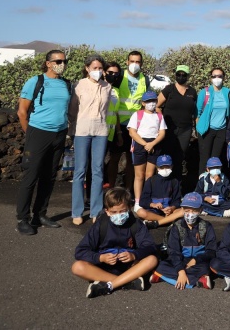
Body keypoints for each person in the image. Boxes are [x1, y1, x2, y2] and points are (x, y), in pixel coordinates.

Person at [16, 49, 72, 235]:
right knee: (31, 176)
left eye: (64, 61)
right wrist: (31, 134)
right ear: (48, 63)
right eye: (58, 61)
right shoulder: (36, 81)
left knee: (49, 177)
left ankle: (39, 215)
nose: (62, 64)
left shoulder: (67, 84)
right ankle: (22, 219)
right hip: (38, 133)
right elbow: (22, 112)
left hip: (59, 134)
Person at [71, 188, 158, 298]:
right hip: (103, 267)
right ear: (107, 211)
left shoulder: (136, 224)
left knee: (152, 260)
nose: (119, 215)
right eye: (114, 212)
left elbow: (150, 246)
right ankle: (126, 282)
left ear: (129, 208)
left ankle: (108, 285)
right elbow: (80, 251)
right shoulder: (101, 224)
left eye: (122, 211)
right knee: (77, 267)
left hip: (130, 266)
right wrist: (100, 258)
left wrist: (134, 255)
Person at [68, 54, 111, 226]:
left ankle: (96, 211)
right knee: (80, 171)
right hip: (82, 130)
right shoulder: (78, 85)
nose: (97, 71)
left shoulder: (107, 86)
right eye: (94, 68)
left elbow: (107, 109)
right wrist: (72, 130)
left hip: (101, 130)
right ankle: (77, 211)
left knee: (98, 170)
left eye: (100, 68)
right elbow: (72, 110)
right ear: (87, 68)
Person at [151, 192, 217, 289]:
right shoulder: (177, 226)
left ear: (200, 210)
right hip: (181, 259)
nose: (190, 214)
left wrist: (196, 260)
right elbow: (173, 251)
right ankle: (196, 280)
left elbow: (211, 250)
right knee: (161, 265)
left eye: (194, 211)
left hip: (198, 261)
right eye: (187, 210)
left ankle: (163, 277)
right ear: (182, 210)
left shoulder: (206, 226)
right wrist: (181, 271)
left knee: (207, 268)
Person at [113, 51, 152, 202]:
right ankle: (111, 191)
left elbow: (146, 100)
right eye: (132, 61)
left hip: (136, 127)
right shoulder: (119, 76)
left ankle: (129, 192)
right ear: (127, 62)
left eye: (138, 62)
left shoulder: (144, 79)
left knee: (132, 160)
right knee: (114, 158)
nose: (135, 64)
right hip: (118, 123)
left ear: (141, 64)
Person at [127, 91, 167, 208]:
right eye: (148, 101)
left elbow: (162, 133)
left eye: (154, 101)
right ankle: (138, 201)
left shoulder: (159, 116)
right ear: (143, 103)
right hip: (140, 144)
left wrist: (152, 144)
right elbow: (132, 132)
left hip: (154, 144)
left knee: (150, 175)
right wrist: (145, 144)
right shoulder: (137, 115)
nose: (152, 103)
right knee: (139, 175)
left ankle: (147, 199)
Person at [157, 65, 197, 179]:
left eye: (184, 75)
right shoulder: (169, 89)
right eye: (179, 74)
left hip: (185, 130)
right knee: (166, 155)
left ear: (188, 76)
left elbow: (195, 112)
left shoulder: (192, 92)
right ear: (175, 75)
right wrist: (161, 121)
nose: (181, 76)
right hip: (169, 129)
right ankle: (164, 182)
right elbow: (157, 106)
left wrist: (197, 128)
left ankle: (177, 184)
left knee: (180, 157)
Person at [195, 67, 230, 176]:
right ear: (210, 78)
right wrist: (198, 127)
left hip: (221, 130)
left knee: (215, 160)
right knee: (204, 159)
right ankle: (202, 182)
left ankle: (214, 182)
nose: (217, 78)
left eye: (220, 76)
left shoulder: (228, 93)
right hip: (206, 130)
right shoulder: (205, 92)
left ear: (224, 78)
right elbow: (197, 112)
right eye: (214, 76)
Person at [136, 155, 183, 228]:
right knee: (140, 212)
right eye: (162, 167)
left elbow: (177, 200)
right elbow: (143, 201)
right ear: (157, 168)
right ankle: (167, 221)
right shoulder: (151, 181)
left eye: (167, 167)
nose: (165, 169)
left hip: (169, 211)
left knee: (183, 211)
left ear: (172, 166)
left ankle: (158, 222)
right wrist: (153, 205)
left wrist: (171, 208)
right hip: (154, 211)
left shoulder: (174, 181)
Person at [103, 62, 124, 189]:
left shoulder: (116, 91)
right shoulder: (99, 87)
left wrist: (119, 133)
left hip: (110, 133)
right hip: (99, 131)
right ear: (104, 72)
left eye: (116, 73)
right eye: (110, 72)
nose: (113, 75)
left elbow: (115, 113)